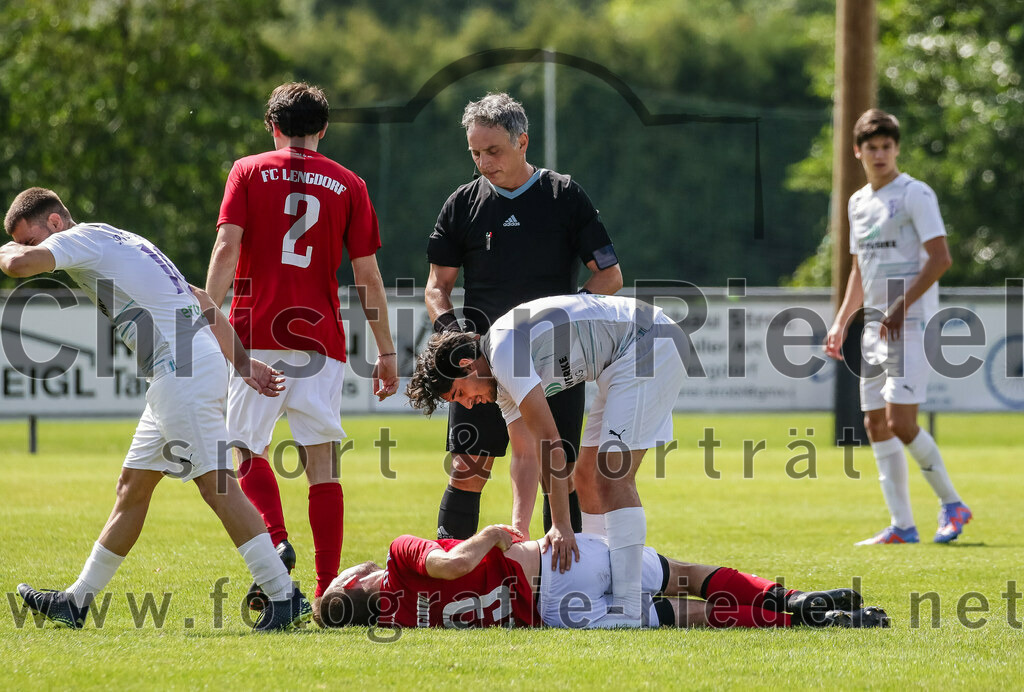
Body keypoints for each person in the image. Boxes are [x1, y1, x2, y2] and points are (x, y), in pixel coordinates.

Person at [2, 187, 311, 631]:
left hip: (180, 369)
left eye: (30, 238)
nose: (32, 249)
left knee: (217, 487)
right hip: (178, 370)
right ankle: (76, 602)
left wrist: (10, 251)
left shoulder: (76, 238)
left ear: (53, 222)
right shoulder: (119, 238)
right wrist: (243, 364)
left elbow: (17, 266)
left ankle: (285, 597)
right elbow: (203, 299)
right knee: (132, 488)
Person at [204, 82, 399, 611]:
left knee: (245, 448)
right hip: (321, 338)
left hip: (257, 330)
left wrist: (207, 309)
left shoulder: (247, 170)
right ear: (324, 128)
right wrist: (385, 350)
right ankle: (326, 588)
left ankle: (274, 537)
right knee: (323, 464)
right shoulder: (349, 183)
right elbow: (367, 275)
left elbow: (227, 245)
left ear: (273, 125)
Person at [408, 293, 688, 627]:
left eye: (459, 394)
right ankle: (611, 578)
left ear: (467, 366)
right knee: (586, 477)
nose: (467, 405)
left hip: (649, 343)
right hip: (627, 354)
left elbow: (550, 442)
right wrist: (519, 531)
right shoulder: (499, 376)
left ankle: (627, 608)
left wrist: (561, 524)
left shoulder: (503, 352)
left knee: (611, 476)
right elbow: (525, 455)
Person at [425, 92, 623, 545]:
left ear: (522, 142)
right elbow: (437, 288)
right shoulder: (462, 204)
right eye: (475, 153)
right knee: (468, 466)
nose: (483, 162)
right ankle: (449, 576)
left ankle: (574, 578)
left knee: (563, 468)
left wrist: (563, 323)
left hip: (554, 361)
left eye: (492, 151)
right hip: (482, 367)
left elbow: (609, 276)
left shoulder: (564, 196)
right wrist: (457, 340)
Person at [825, 108, 972, 545]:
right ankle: (902, 525)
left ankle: (952, 504)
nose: (881, 154)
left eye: (887, 146)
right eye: (872, 147)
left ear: (897, 149)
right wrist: (841, 321)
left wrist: (900, 309)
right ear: (858, 152)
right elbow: (859, 268)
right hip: (876, 327)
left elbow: (941, 258)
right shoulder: (857, 202)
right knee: (875, 425)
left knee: (902, 422)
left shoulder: (915, 194)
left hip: (910, 324)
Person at [317, 526, 889, 629]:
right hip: (555, 566)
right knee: (681, 577)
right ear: (349, 586)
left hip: (557, 618)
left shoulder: (405, 627)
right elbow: (452, 565)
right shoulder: (395, 559)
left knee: (682, 616)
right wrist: (491, 535)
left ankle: (808, 622)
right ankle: (795, 600)